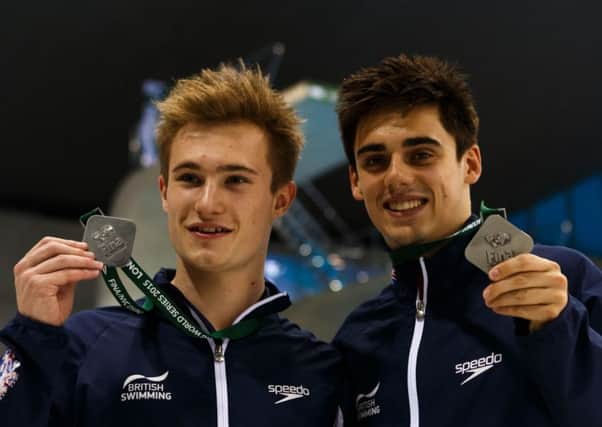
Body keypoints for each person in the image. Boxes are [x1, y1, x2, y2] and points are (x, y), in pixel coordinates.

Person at [0, 64, 343, 426]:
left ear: (281, 200)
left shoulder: (320, 370)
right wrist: (32, 342)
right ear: (165, 193)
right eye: (190, 178)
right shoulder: (84, 345)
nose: (208, 203)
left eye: (236, 180)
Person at [332, 54, 602, 426]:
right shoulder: (355, 341)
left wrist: (558, 329)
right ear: (355, 182)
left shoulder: (563, 280)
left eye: (421, 155)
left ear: (470, 163)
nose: (395, 177)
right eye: (375, 161)